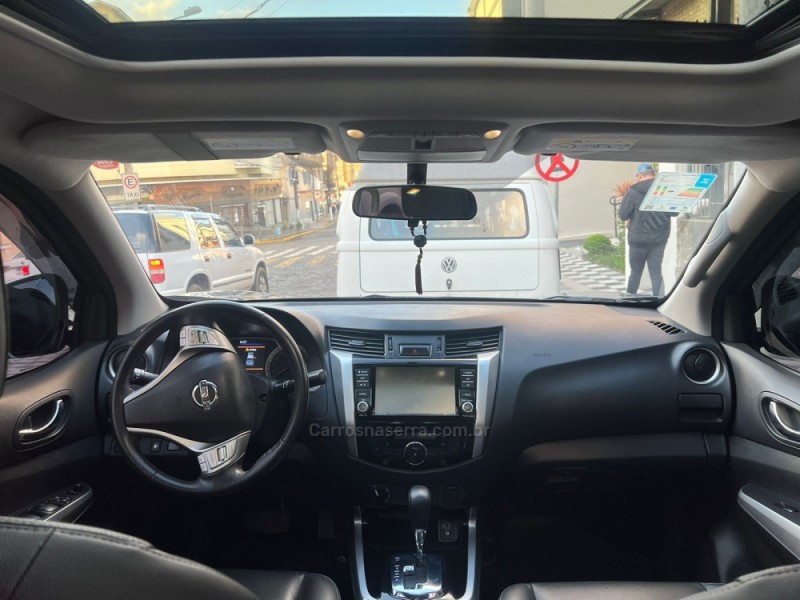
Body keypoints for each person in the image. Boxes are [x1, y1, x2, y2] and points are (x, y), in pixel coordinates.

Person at [619, 163, 673, 296]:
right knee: (656, 273)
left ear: (639, 176)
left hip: (638, 239)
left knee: (635, 273)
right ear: (654, 175)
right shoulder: (665, 189)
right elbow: (674, 212)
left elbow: (623, 215)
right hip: (659, 239)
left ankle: (629, 300)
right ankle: (659, 301)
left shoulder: (633, 191)